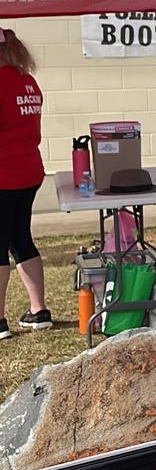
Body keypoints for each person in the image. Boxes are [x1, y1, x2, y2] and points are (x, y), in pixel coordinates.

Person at [0, 27, 51, 340]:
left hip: (4, 173)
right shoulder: (27, 82)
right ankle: (38, 310)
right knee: (20, 239)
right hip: (28, 170)